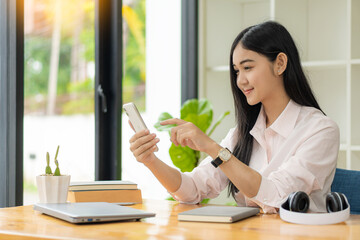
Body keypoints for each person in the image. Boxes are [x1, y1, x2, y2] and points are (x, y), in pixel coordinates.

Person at [128, 21, 339, 214]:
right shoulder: (242, 134)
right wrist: (150, 160)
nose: (240, 81)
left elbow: (278, 196)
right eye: (237, 71)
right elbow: (192, 190)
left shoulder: (320, 130)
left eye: (247, 68)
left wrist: (212, 148)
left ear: (280, 63)